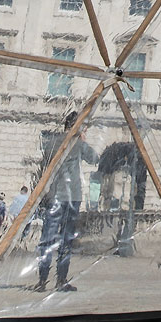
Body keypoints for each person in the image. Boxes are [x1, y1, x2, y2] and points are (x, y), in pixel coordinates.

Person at [35, 113, 97, 293]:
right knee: (66, 239)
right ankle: (61, 280)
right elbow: (95, 159)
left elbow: (43, 168)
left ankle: (42, 280)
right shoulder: (78, 144)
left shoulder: (52, 143)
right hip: (72, 197)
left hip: (53, 195)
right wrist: (83, 140)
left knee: (47, 238)